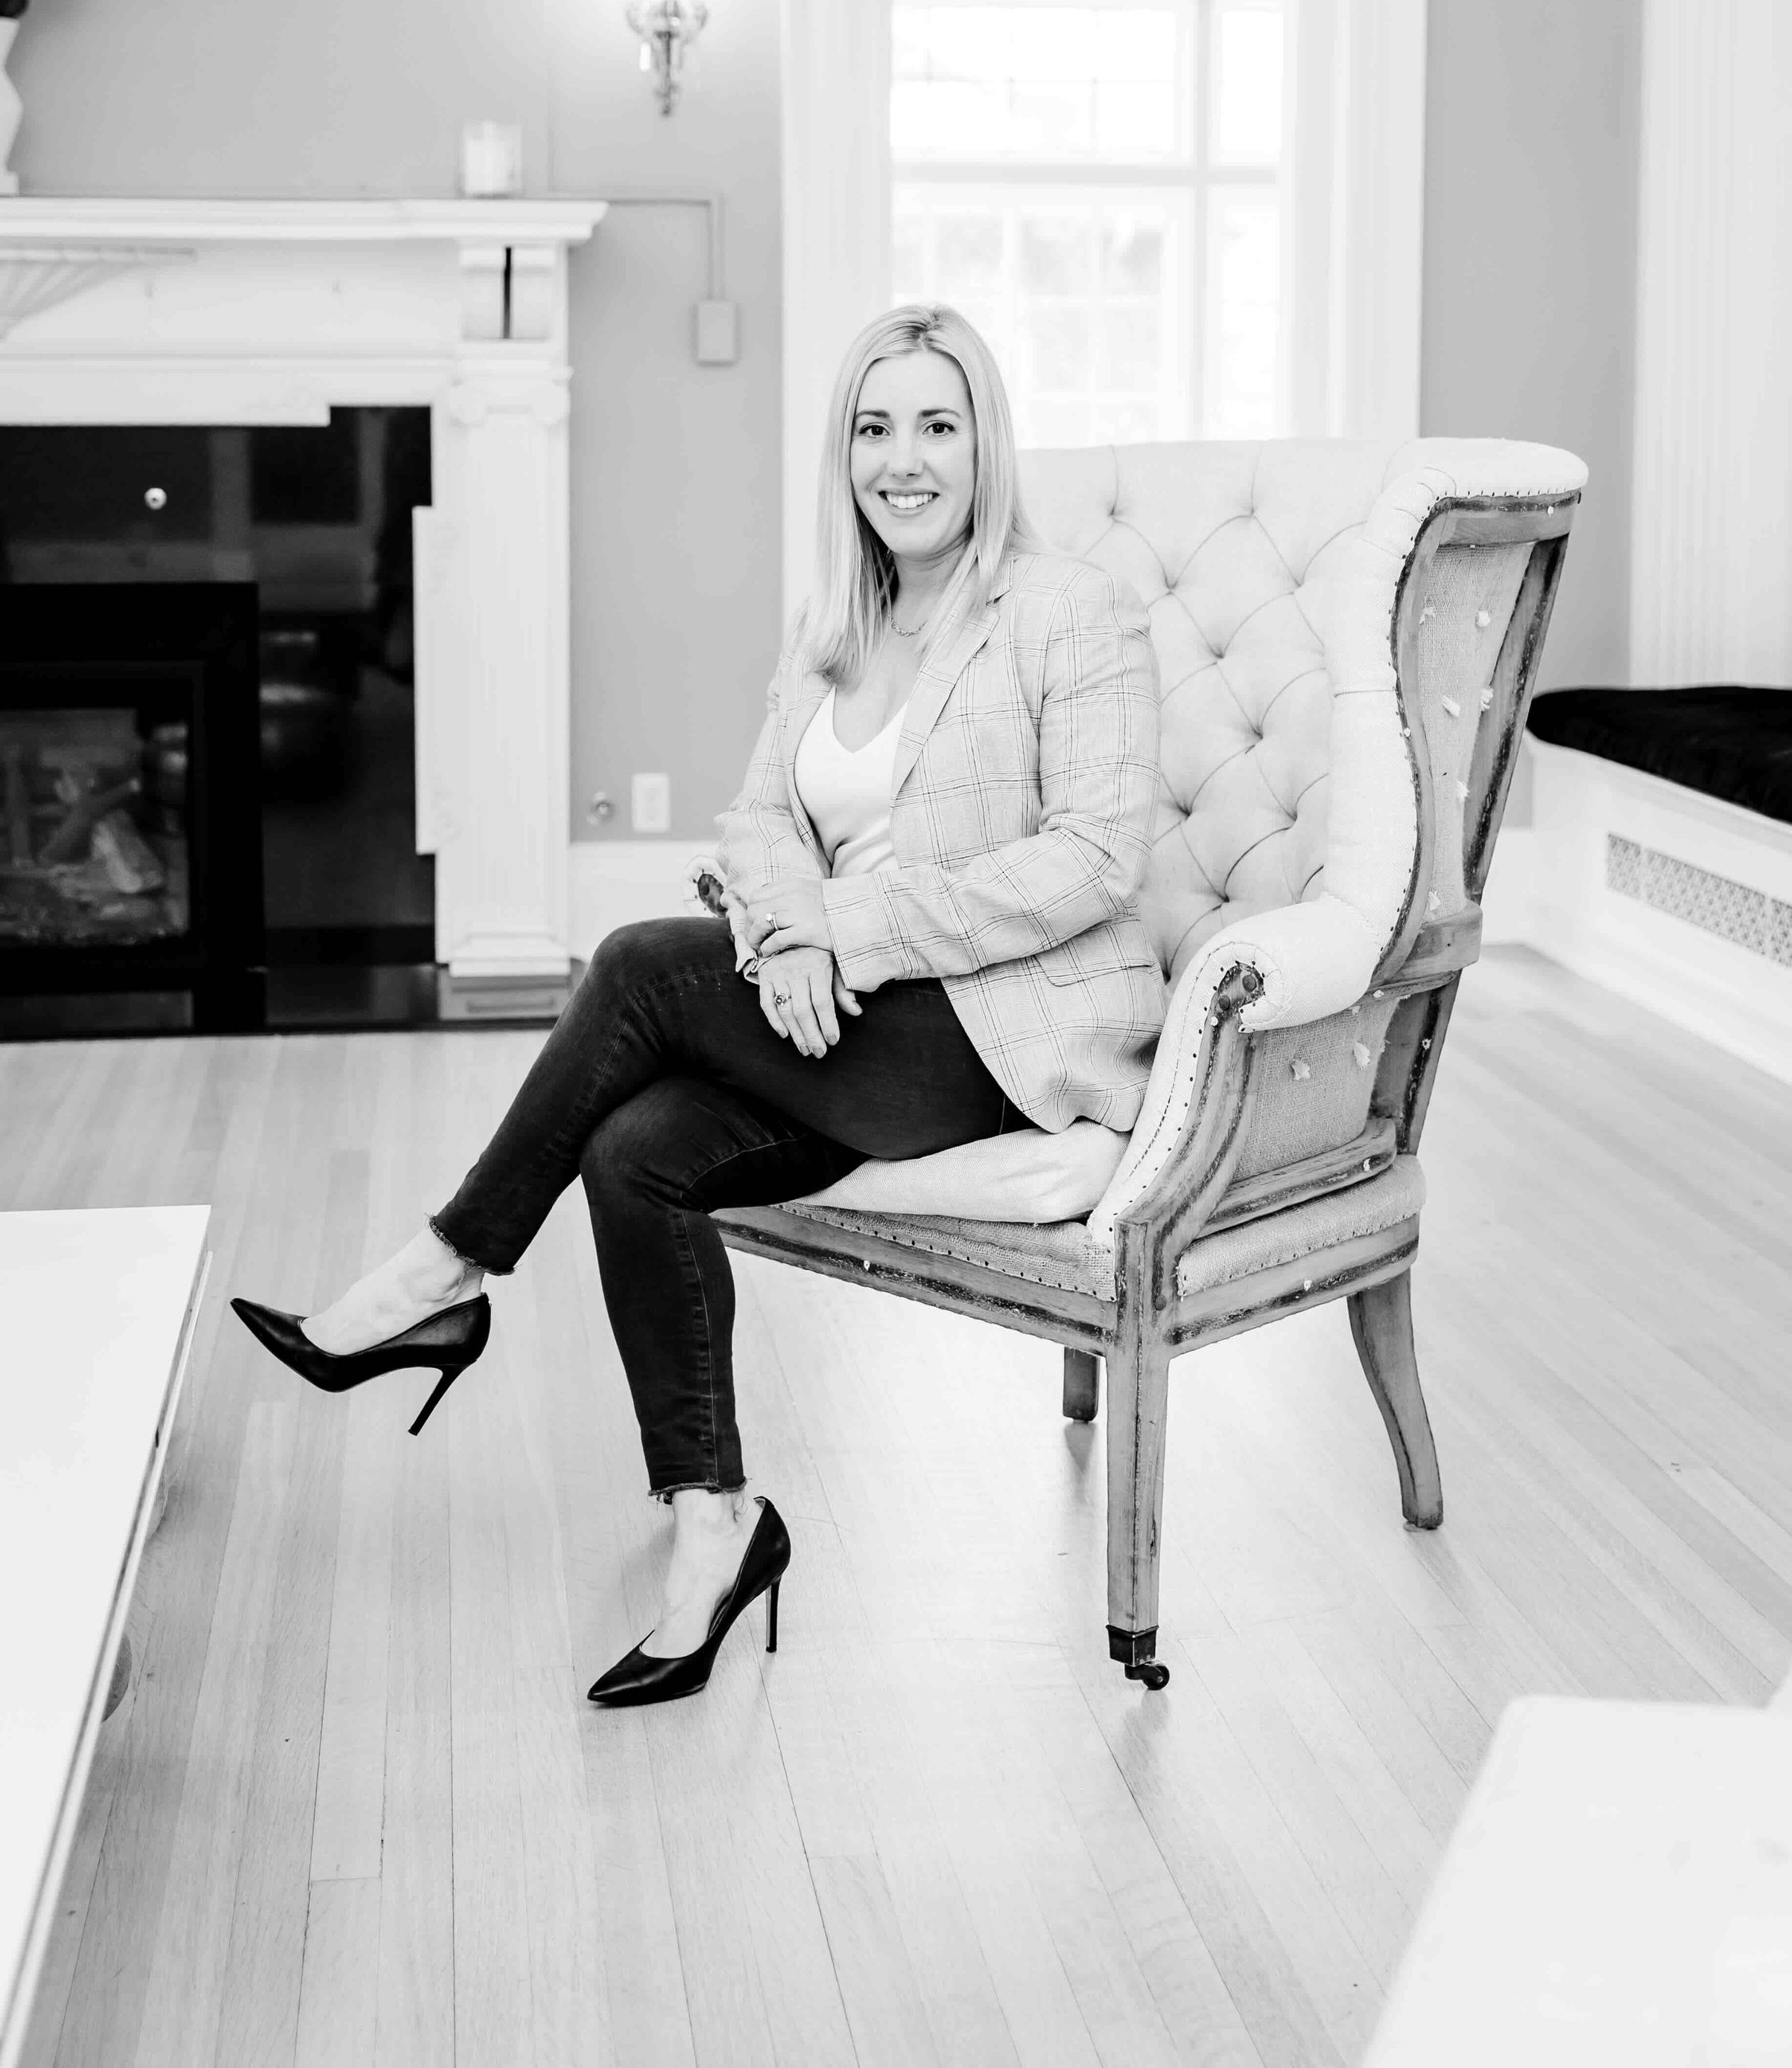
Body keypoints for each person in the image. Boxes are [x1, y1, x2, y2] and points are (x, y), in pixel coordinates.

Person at [232, 303, 1167, 1706]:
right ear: (841, 450)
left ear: (986, 442)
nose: (901, 460)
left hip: (992, 1038)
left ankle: (445, 1272)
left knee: (633, 963)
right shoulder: (836, 621)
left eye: (936, 424)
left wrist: (838, 922)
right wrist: (788, 941)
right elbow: (755, 816)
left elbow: (1097, 858)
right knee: (636, 1150)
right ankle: (716, 1518)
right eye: (872, 426)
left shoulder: (1064, 608)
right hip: (838, 1020)